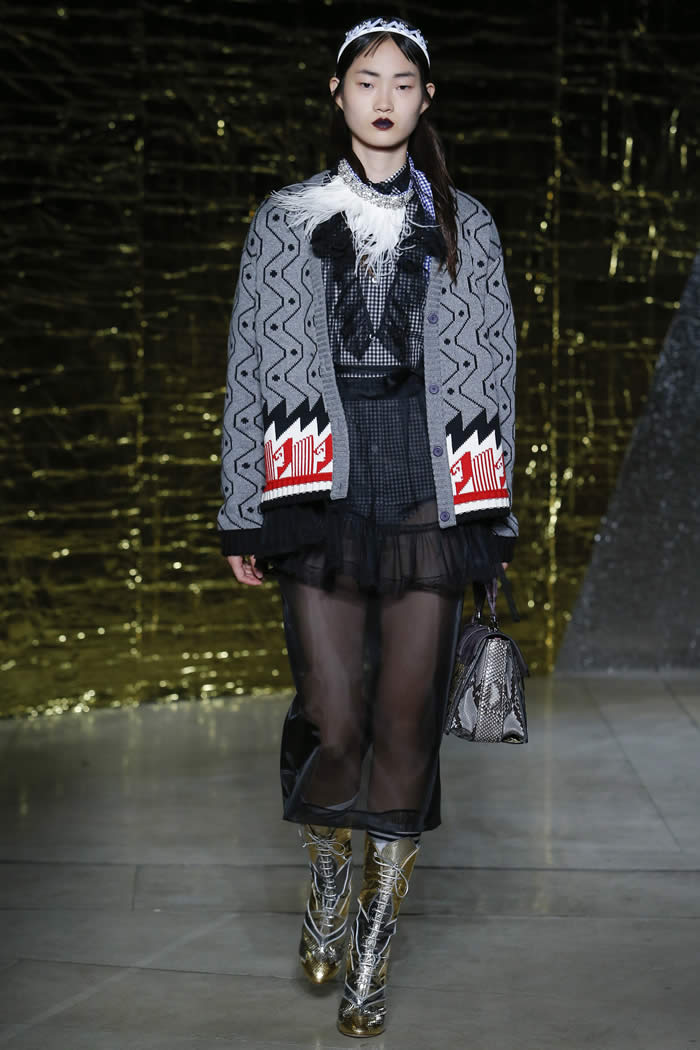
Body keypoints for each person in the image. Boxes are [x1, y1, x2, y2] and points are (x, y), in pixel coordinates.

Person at [217, 15, 519, 1039]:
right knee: (333, 715)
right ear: (337, 93)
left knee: (405, 719)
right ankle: (326, 877)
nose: (384, 98)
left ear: (425, 99)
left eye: (402, 82)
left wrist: (490, 517)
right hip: (319, 476)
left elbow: (494, 376)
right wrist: (243, 510)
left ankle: (374, 949)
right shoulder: (285, 216)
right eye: (366, 80)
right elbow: (249, 366)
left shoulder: (467, 224)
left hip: (432, 478)